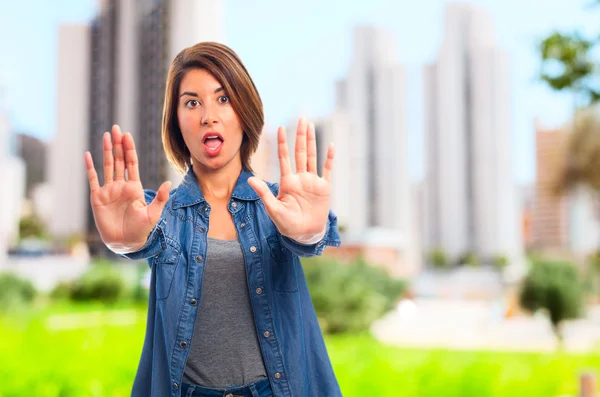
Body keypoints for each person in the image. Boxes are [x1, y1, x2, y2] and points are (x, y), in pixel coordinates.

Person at [84, 42, 342, 397]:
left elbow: (307, 235)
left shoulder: (280, 206)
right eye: (192, 102)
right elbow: (143, 239)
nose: (208, 115)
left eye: (223, 99)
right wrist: (124, 242)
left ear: (244, 109)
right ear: (176, 121)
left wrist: (311, 232)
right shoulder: (162, 213)